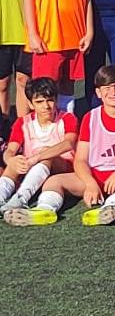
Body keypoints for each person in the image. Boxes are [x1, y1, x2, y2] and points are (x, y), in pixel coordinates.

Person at [26, 64, 115, 226]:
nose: (113, 92)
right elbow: (80, 159)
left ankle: (113, 207)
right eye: (107, 87)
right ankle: (45, 210)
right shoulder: (91, 118)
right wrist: (90, 183)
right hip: (96, 175)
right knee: (53, 181)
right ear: (98, 92)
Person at [0, 77, 77, 220]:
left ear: (56, 100)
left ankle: (20, 199)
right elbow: (9, 150)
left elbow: (69, 144)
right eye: (39, 102)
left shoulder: (67, 118)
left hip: (62, 167)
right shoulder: (23, 122)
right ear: (30, 103)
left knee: (46, 154)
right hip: (32, 166)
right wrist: (11, 159)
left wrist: (37, 157)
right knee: (15, 162)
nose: (46, 106)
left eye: (50, 100)